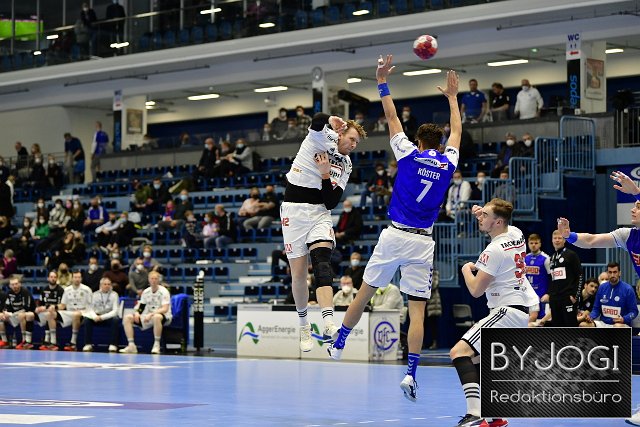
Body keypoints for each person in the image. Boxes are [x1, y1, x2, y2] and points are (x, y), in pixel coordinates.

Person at [327, 56, 461, 404]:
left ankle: (339, 343)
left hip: (395, 235)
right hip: (423, 242)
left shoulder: (408, 155)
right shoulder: (448, 162)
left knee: (364, 293)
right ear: (439, 143)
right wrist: (452, 98)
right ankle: (411, 373)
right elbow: (458, 132)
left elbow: (391, 117)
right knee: (417, 311)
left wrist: (382, 82)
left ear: (418, 142)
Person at [281, 95, 366, 352]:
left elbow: (331, 201)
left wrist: (326, 173)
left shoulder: (346, 164)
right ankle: (304, 324)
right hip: (294, 211)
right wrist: (332, 119)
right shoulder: (323, 137)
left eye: (357, 143)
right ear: (340, 134)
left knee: (322, 262)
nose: (354, 145)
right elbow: (317, 120)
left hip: (319, 212)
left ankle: (329, 323)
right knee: (298, 275)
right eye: (352, 139)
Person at [560, 171, 640, 424]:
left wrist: (637, 191)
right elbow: (593, 240)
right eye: (635, 205)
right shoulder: (629, 236)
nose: (633, 209)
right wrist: (570, 236)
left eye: (639, 206)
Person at [450, 200, 539, 427]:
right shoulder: (516, 234)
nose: (480, 218)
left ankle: (474, 415)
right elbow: (497, 217)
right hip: (519, 311)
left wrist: (466, 269)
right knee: (477, 358)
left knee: (459, 352)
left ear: (498, 222)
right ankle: (495, 416)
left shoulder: (493, 251)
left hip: (507, 311)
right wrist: (483, 212)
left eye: (484, 215)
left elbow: (475, 290)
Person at [120, 271, 172, 354]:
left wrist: (151, 314)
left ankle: (156, 345)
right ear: (149, 280)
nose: (154, 281)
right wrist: (137, 313)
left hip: (163, 316)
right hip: (147, 316)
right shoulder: (146, 292)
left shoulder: (164, 291)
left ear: (158, 280)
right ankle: (131, 345)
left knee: (156, 317)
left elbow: (165, 309)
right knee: (127, 318)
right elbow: (141, 306)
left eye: (156, 279)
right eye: (152, 278)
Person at [581, 262, 637, 327]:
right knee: (583, 325)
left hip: (621, 324)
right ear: (607, 273)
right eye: (610, 272)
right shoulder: (601, 288)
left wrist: (624, 319)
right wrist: (590, 317)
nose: (612, 275)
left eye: (615, 272)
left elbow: (634, 311)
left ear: (619, 273)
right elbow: (596, 309)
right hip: (603, 323)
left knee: (617, 326)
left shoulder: (628, 289)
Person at [548, 229, 582, 327]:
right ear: (552, 240)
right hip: (555, 299)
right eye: (555, 238)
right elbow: (552, 279)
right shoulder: (552, 257)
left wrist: (575, 296)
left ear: (564, 240)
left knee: (570, 326)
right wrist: (550, 295)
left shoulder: (571, 255)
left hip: (567, 297)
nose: (557, 240)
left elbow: (579, 276)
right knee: (556, 326)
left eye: (559, 238)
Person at [53, 271, 93, 351]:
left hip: (83, 313)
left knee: (76, 314)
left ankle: (73, 343)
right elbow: (63, 305)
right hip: (69, 312)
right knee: (51, 314)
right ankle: (52, 342)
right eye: (75, 277)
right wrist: (54, 307)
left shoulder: (87, 289)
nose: (77, 279)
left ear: (81, 279)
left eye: (79, 277)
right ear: (72, 278)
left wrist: (84, 311)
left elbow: (91, 305)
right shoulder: (67, 289)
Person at [82, 277, 120, 352]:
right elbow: (90, 309)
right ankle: (88, 344)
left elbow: (115, 311)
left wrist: (102, 317)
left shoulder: (114, 295)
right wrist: (95, 316)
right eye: (105, 284)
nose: (107, 286)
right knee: (87, 320)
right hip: (97, 316)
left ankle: (113, 345)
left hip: (108, 317)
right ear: (101, 285)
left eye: (109, 284)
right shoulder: (95, 294)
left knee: (115, 319)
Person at [0, 276, 36, 349]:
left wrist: (12, 314)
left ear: (20, 284)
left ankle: (24, 341)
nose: (14, 286)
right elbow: (6, 306)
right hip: (14, 316)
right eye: (12, 284)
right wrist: (5, 312)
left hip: (27, 314)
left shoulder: (25, 292)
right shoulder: (9, 293)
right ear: (10, 286)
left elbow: (26, 308)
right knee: (0, 316)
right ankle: (4, 340)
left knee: (21, 315)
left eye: (16, 284)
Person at [524, 233, 551, 321]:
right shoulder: (525, 258)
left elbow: (552, 278)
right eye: (531, 243)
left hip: (541, 296)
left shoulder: (546, 259)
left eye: (536, 243)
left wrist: (548, 293)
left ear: (540, 244)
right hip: (527, 295)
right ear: (528, 244)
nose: (533, 245)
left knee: (541, 321)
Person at [36, 271, 65, 349]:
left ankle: (49, 341)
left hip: (57, 313)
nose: (53, 279)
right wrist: (39, 308)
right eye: (51, 277)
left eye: (55, 277)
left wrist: (48, 308)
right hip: (45, 312)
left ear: (57, 279)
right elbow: (40, 304)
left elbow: (62, 306)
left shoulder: (61, 290)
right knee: (34, 314)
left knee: (49, 314)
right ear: (48, 278)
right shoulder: (44, 290)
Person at [425, 269, 441, 350]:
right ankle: (422, 342)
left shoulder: (435, 273)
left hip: (433, 302)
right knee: (423, 323)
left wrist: (424, 285)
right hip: (424, 302)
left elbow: (434, 285)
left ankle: (434, 343)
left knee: (433, 324)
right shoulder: (422, 273)